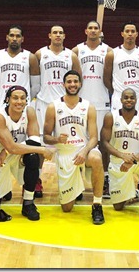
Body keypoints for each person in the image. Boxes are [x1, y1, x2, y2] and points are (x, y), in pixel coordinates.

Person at [43, 70, 105, 224]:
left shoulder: (88, 107)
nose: (72, 84)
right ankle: (76, 189)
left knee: (96, 158)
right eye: (69, 82)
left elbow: (94, 138)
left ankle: (97, 205)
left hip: (84, 150)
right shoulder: (53, 107)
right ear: (63, 84)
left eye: (75, 81)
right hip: (65, 154)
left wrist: (84, 151)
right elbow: (45, 137)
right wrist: (56, 139)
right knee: (67, 208)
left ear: (80, 84)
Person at [0, 86, 55, 221]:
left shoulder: (29, 112)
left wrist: (8, 150)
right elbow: (11, 147)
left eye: (23, 98)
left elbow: (34, 140)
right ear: (7, 100)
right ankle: (3, 192)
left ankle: (28, 202)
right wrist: (43, 149)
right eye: (15, 98)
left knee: (33, 157)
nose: (19, 101)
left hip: (17, 154)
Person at [34, 25, 81, 198]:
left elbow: (78, 79)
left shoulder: (72, 55)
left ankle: (75, 182)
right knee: (40, 144)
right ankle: (36, 181)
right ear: (49, 35)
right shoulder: (39, 54)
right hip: (44, 102)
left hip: (64, 105)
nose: (58, 35)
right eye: (55, 32)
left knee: (71, 143)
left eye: (61, 32)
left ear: (64, 36)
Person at [100, 89, 139, 217]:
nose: (129, 100)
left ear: (136, 100)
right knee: (118, 207)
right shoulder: (111, 117)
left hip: (137, 160)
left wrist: (133, 159)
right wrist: (122, 156)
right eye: (126, 97)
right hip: (118, 161)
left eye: (132, 98)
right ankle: (133, 192)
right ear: (121, 100)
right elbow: (104, 142)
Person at [72, 21, 112, 198]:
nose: (93, 30)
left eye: (96, 28)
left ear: (100, 31)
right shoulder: (76, 50)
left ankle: (105, 179)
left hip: (102, 100)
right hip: (82, 102)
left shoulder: (109, 51)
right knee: (78, 141)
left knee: (103, 143)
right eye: (91, 28)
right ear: (85, 31)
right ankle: (77, 182)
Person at [0, 25, 40, 109]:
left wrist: (26, 100)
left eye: (18, 36)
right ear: (7, 37)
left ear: (22, 39)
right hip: (0, 105)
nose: (14, 39)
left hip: (21, 106)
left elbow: (36, 86)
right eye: (12, 35)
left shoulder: (31, 57)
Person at [104, 21, 139, 116]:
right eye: (127, 31)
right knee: (117, 128)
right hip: (119, 97)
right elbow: (106, 78)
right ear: (122, 34)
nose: (130, 34)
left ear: (136, 34)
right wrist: (117, 91)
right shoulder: (112, 54)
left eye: (133, 31)